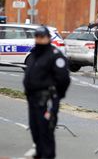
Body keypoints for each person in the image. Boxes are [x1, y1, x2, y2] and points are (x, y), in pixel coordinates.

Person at [23, 26, 71, 159]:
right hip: (33, 100)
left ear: (48, 38)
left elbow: (63, 79)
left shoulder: (54, 55)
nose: (39, 39)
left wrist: (56, 96)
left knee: (46, 132)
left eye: (42, 37)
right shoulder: (34, 54)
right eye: (37, 37)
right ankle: (39, 155)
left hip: (47, 100)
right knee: (35, 131)